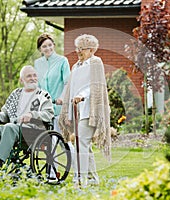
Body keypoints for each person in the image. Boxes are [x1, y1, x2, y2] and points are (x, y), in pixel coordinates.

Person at [59, 34, 111, 187]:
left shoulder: (95, 62)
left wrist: (82, 95)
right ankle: (93, 179)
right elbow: (71, 88)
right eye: (77, 48)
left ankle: (79, 179)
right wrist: (66, 108)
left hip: (90, 109)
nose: (78, 51)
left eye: (82, 49)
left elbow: (95, 86)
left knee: (81, 142)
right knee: (84, 144)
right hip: (77, 110)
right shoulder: (76, 66)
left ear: (91, 50)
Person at [34, 33, 70, 133]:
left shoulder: (62, 61)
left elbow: (67, 82)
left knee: (63, 138)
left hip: (58, 106)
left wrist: (62, 98)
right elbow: (37, 85)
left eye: (50, 45)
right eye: (44, 46)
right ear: (40, 49)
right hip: (44, 107)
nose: (48, 48)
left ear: (54, 45)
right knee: (48, 139)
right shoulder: (37, 63)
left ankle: (70, 149)